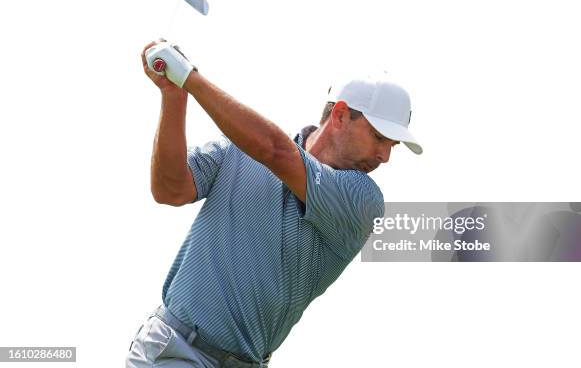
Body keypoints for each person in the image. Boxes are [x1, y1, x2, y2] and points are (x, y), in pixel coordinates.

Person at [126, 41, 422, 368]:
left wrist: (190, 80)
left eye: (392, 145)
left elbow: (275, 153)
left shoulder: (363, 200)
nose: (385, 156)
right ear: (339, 115)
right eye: (379, 137)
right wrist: (174, 96)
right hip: (176, 350)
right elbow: (170, 189)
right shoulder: (239, 149)